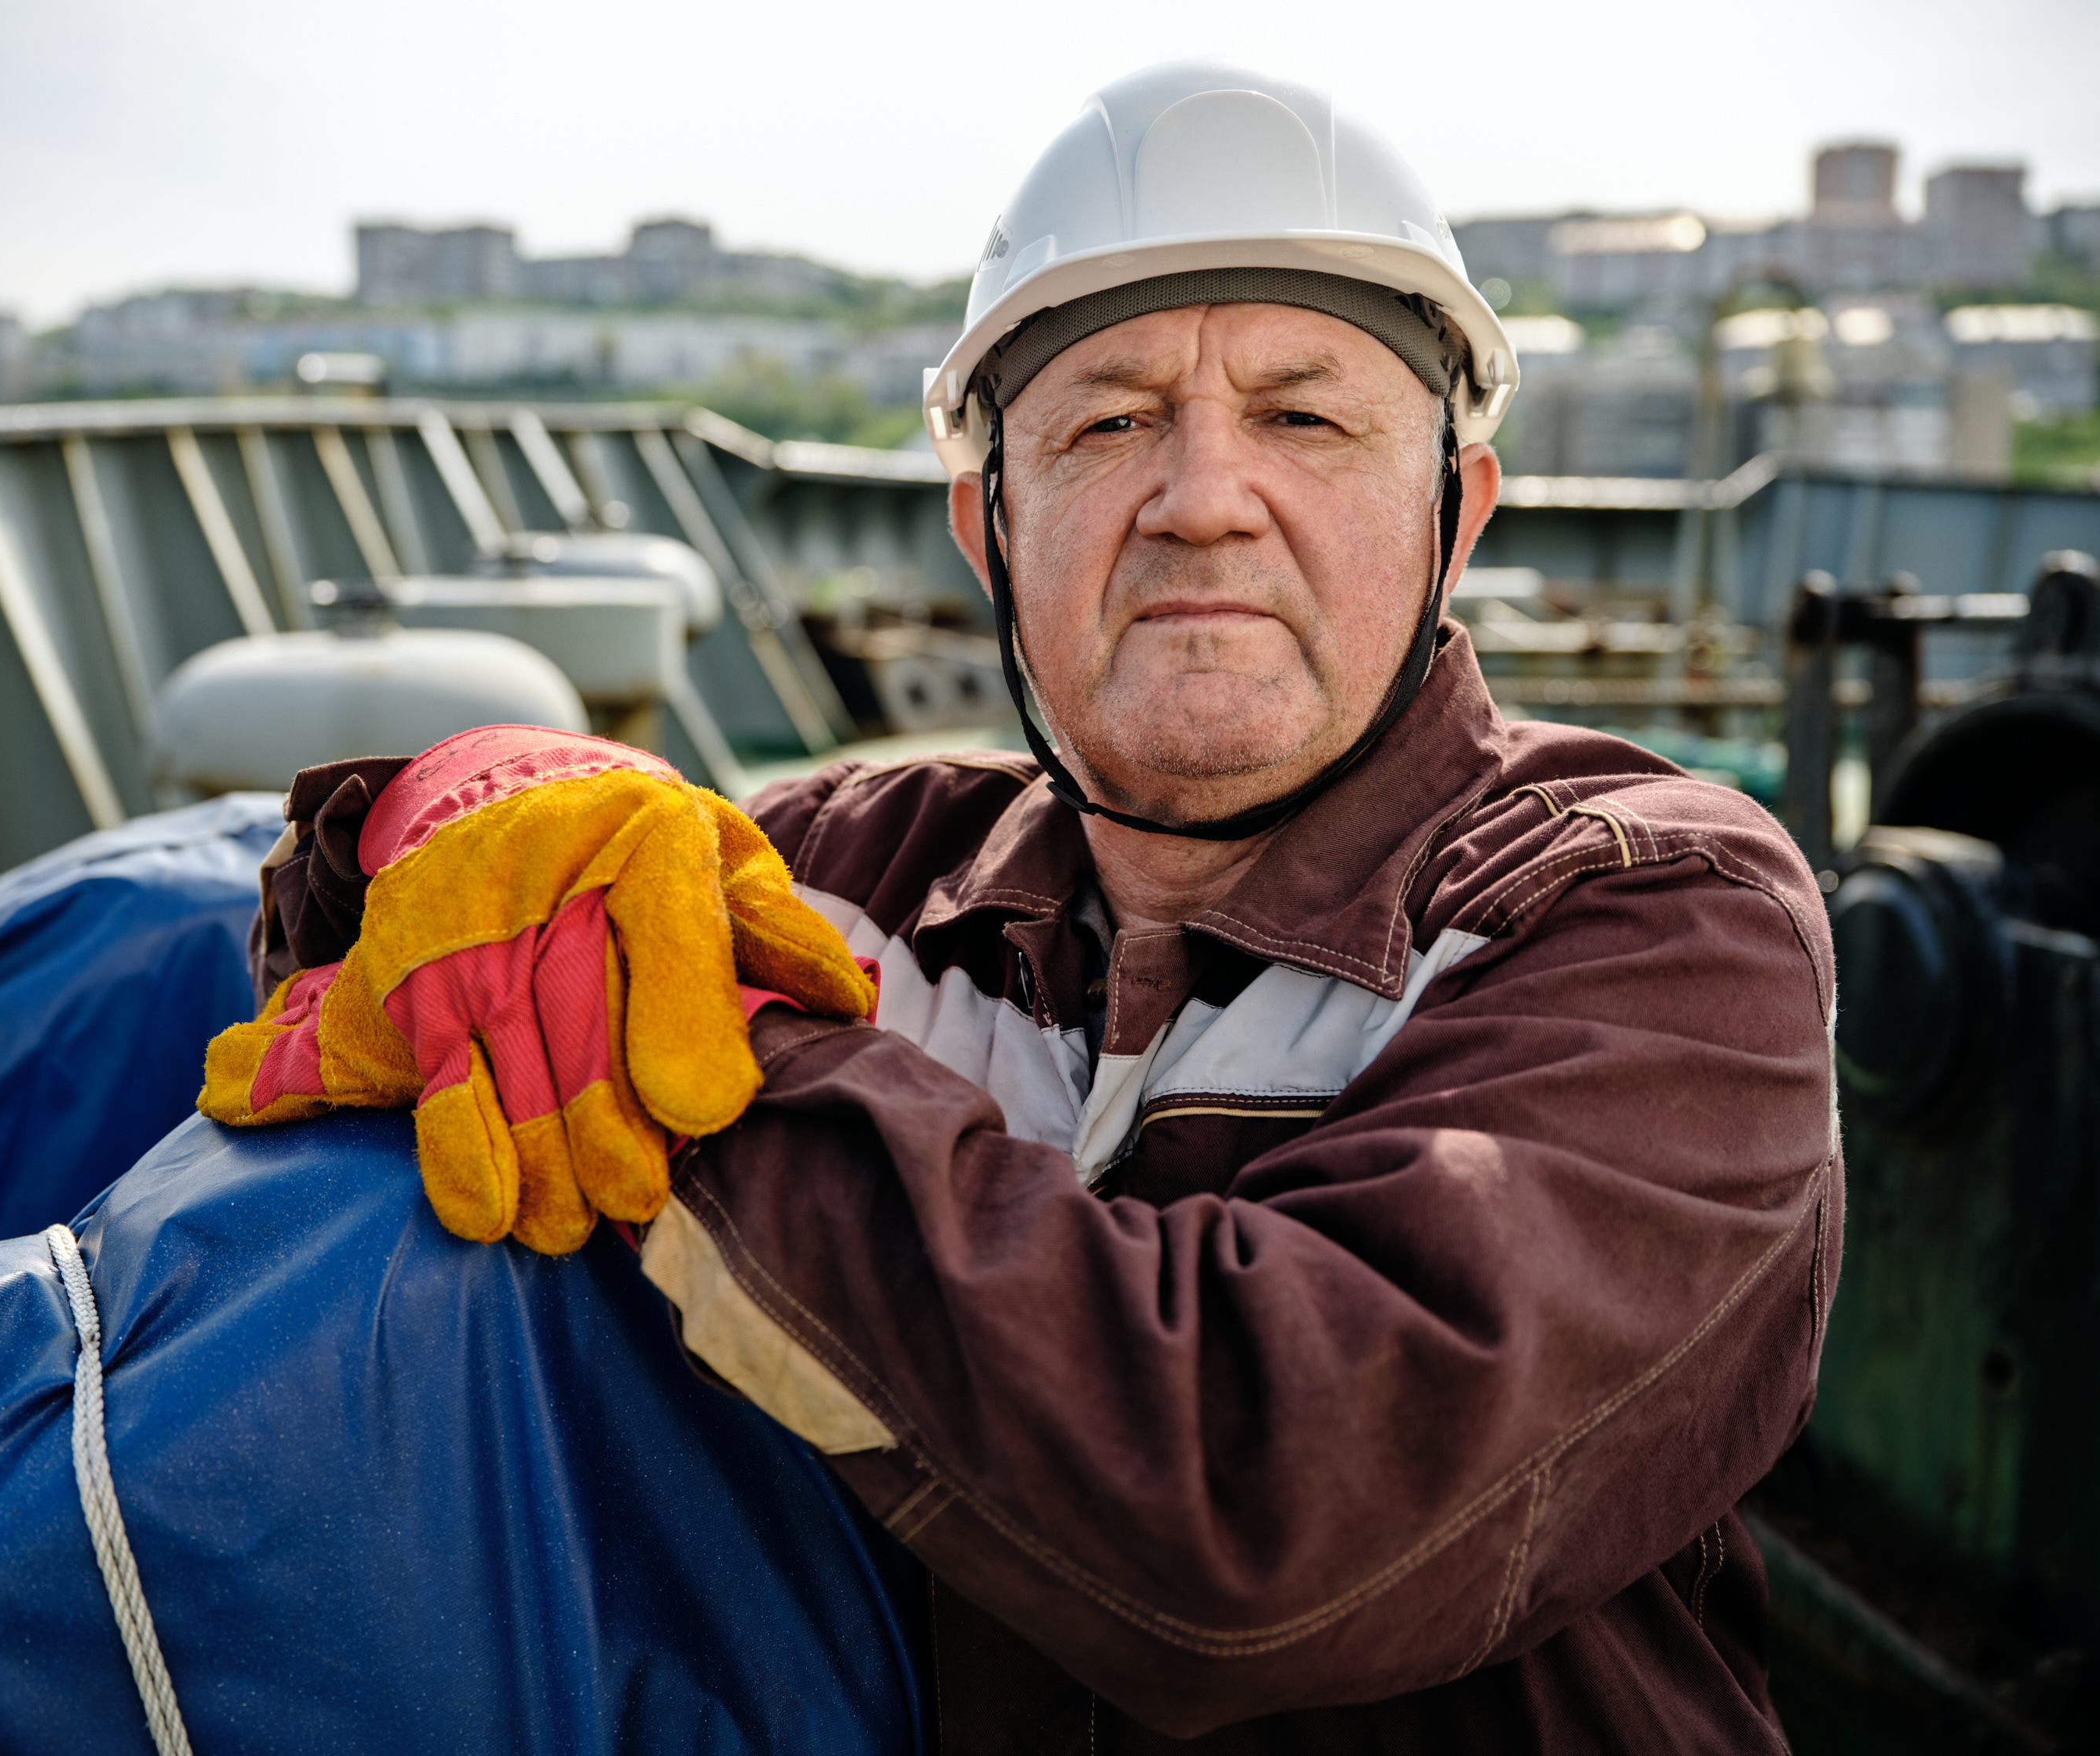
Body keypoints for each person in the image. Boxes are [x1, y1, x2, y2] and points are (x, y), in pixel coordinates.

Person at [632, 62, 1838, 1753]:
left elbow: (1260, 1521)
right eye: (1111, 421)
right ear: (992, 531)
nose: (1202, 496)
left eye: (1306, 415)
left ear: (1452, 518)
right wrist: (446, 816)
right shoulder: (857, 875)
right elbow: (384, 939)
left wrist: (691, 1058)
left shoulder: (1646, 912)